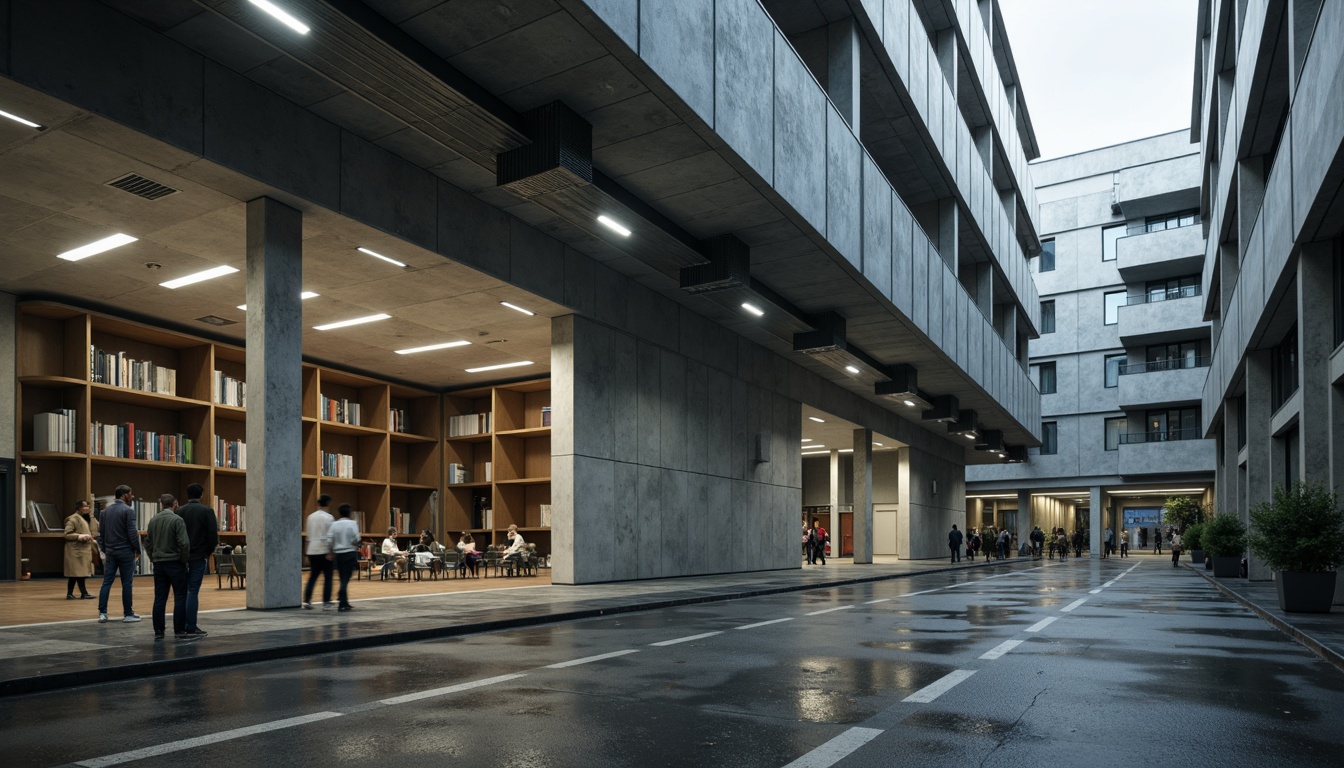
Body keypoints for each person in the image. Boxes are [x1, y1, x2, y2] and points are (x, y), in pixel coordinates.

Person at [146, 494, 195, 641]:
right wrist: (184, 560)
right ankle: (179, 630)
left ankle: (159, 631)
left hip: (159, 564)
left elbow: (148, 543)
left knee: (160, 597)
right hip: (175, 562)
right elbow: (184, 543)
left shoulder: (153, 520)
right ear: (175, 504)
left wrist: (153, 557)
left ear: (161, 505)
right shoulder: (177, 520)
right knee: (180, 597)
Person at [175, 483, 218, 637]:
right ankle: (191, 626)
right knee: (193, 591)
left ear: (187, 495)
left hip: (182, 557)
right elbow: (213, 535)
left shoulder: (179, 511)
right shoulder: (207, 511)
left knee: (182, 592)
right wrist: (208, 552)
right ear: (201, 495)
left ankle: (180, 626)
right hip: (199, 555)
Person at [97, 484, 141, 624]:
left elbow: (101, 534)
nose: (132, 496)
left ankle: (102, 613)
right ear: (124, 495)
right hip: (125, 551)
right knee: (127, 583)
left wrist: (104, 548)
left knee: (107, 582)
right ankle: (128, 614)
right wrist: (137, 549)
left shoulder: (104, 512)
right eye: (130, 493)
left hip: (111, 551)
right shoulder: (128, 511)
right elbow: (132, 533)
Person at [303, 494, 335, 610]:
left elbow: (308, 536)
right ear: (328, 504)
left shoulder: (310, 517)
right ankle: (326, 601)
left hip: (312, 549)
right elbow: (330, 537)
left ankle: (307, 600)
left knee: (313, 576)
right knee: (328, 577)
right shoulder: (329, 518)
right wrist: (331, 552)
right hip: (324, 550)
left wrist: (306, 552)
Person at [63, 500, 99, 600]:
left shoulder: (85, 518)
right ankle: (83, 593)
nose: (87, 508)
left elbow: (95, 527)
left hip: (82, 550)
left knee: (77, 574)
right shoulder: (73, 519)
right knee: (77, 574)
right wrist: (79, 536)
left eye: (88, 506)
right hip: (76, 550)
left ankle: (73, 593)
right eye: (85, 506)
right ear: (79, 508)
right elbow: (67, 534)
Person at [330, 504, 360, 611]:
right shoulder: (353, 523)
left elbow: (329, 539)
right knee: (346, 578)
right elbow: (356, 538)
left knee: (342, 576)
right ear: (349, 513)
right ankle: (341, 596)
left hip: (338, 554)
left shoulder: (334, 524)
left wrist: (331, 551)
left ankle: (344, 602)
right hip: (349, 552)